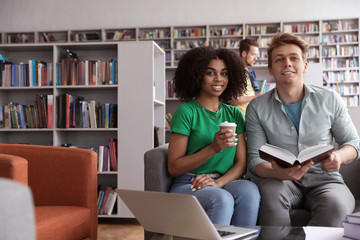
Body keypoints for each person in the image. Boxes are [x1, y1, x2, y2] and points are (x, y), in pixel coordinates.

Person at [246, 32, 360, 227]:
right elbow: (254, 159)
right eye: (279, 60)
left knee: (336, 205)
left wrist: (338, 158)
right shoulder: (256, 108)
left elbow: (353, 143)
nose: (287, 63)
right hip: (280, 181)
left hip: (326, 179)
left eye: (294, 58)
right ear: (271, 69)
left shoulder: (330, 99)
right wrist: (279, 173)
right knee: (269, 198)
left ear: (305, 66)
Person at [168, 46, 260, 226]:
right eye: (211, 73)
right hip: (190, 182)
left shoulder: (234, 114)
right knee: (222, 200)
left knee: (250, 191)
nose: (219, 79)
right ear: (197, 75)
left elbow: (241, 163)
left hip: (223, 180)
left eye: (224, 73)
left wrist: (218, 183)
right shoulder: (186, 112)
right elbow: (174, 167)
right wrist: (213, 148)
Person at [231, 38, 263, 116]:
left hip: (248, 117)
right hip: (239, 119)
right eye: (253, 54)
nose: (256, 58)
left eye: (256, 55)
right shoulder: (236, 72)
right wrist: (256, 97)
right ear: (244, 54)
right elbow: (233, 100)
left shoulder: (247, 72)